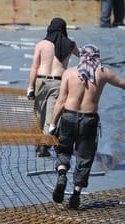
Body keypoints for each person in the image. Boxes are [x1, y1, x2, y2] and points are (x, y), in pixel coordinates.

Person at [49, 44, 125, 209]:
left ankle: (62, 174)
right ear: (97, 56)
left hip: (68, 117)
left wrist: (53, 124)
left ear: (82, 55)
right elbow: (122, 83)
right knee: (85, 157)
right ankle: (76, 195)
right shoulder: (103, 73)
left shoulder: (69, 73)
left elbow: (61, 101)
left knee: (64, 150)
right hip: (89, 120)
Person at [27, 17, 79, 157]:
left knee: (38, 113)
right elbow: (83, 56)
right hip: (58, 83)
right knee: (52, 114)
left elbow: (34, 67)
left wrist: (30, 87)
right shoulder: (69, 44)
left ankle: (39, 142)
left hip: (41, 81)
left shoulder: (42, 44)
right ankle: (45, 143)